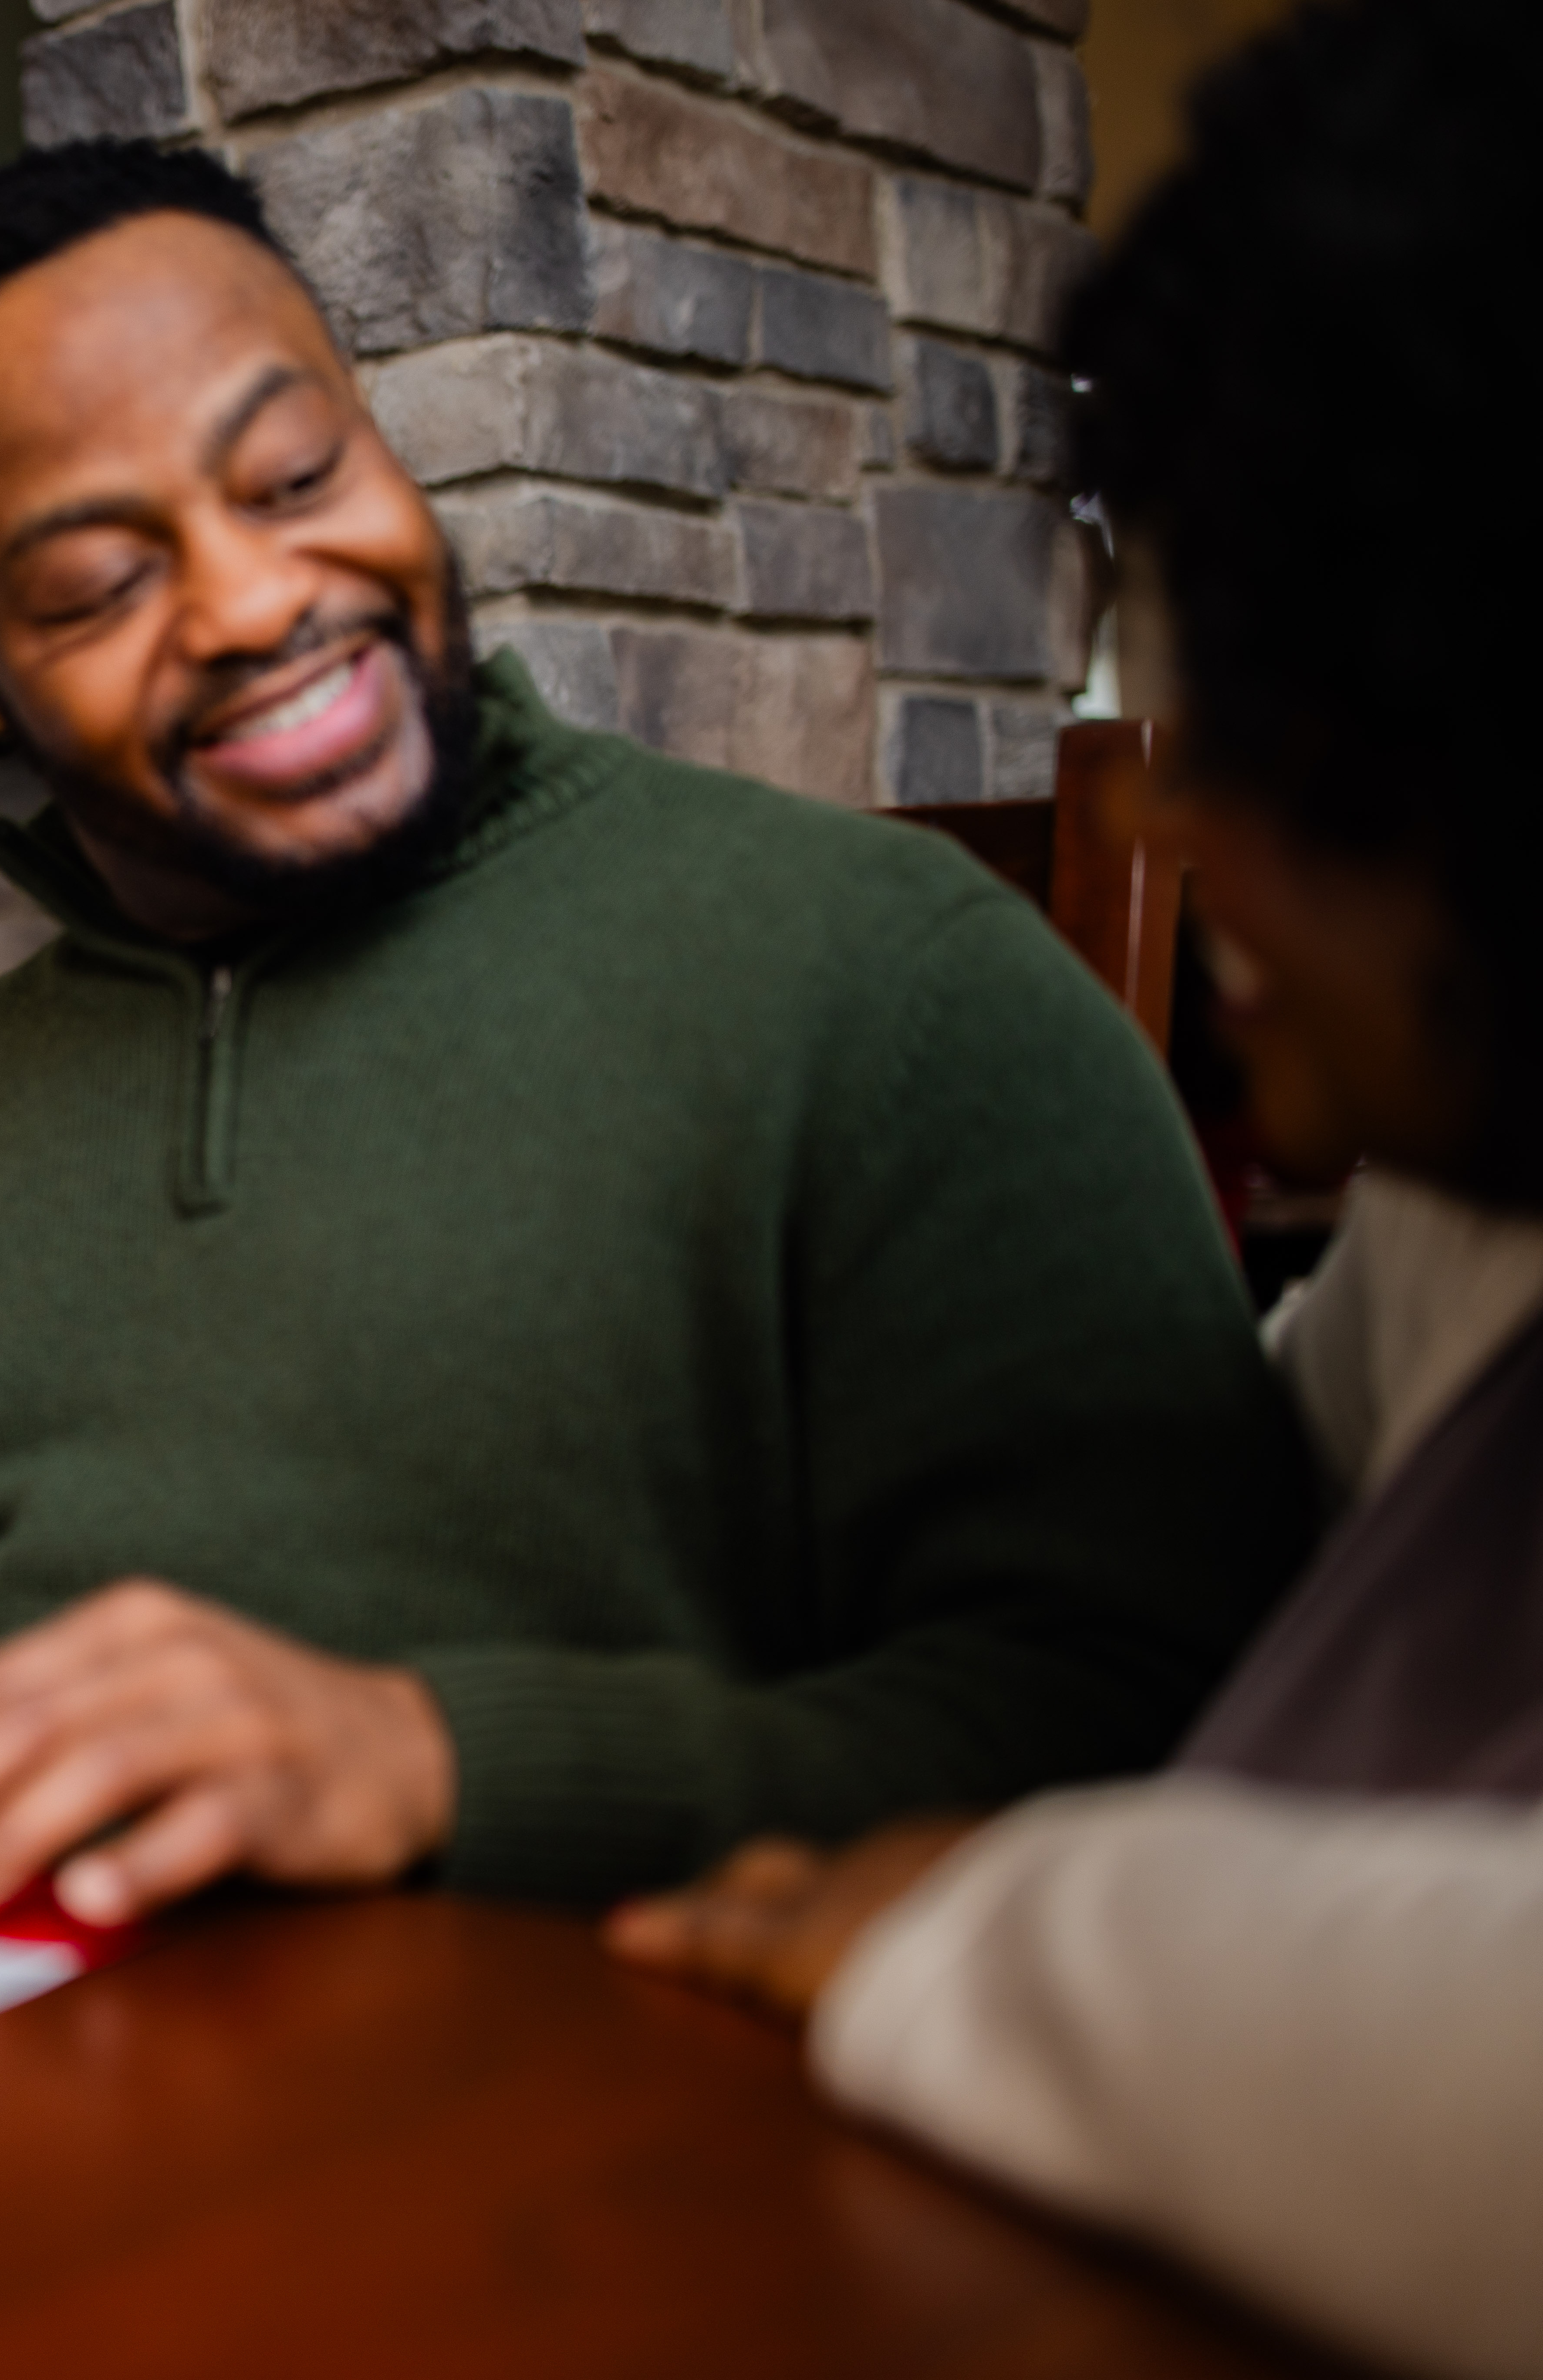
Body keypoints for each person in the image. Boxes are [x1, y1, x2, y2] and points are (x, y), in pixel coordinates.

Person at [0, 142, 1314, 1920]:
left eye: (297, 478)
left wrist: (424, 1761)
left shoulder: (894, 981)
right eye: (100, 581)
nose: (254, 595)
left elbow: (1161, 1703)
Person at [610, 9, 1543, 2374]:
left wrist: (997, 1928)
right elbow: (1182, 1540)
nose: (1142, 822)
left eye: (1211, 712)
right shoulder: (1465, 1242)